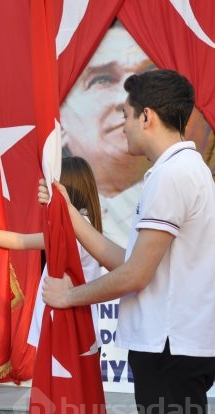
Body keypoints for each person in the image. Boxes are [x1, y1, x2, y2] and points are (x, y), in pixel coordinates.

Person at [40, 69, 215, 414]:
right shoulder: (180, 170)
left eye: (126, 116)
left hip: (170, 346)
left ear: (147, 117)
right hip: (174, 346)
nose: (123, 126)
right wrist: (68, 216)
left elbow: (135, 275)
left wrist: (68, 296)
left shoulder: (172, 175)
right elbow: (126, 260)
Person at [0, 156, 103, 350]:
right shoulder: (77, 228)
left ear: (67, 188)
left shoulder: (78, 229)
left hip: (70, 334)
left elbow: (23, 242)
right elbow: (20, 240)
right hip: (67, 331)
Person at [61, 22, 154, 247]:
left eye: (147, 78)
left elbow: (133, 272)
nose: (125, 100)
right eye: (102, 80)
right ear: (60, 122)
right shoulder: (66, 214)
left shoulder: (177, 178)